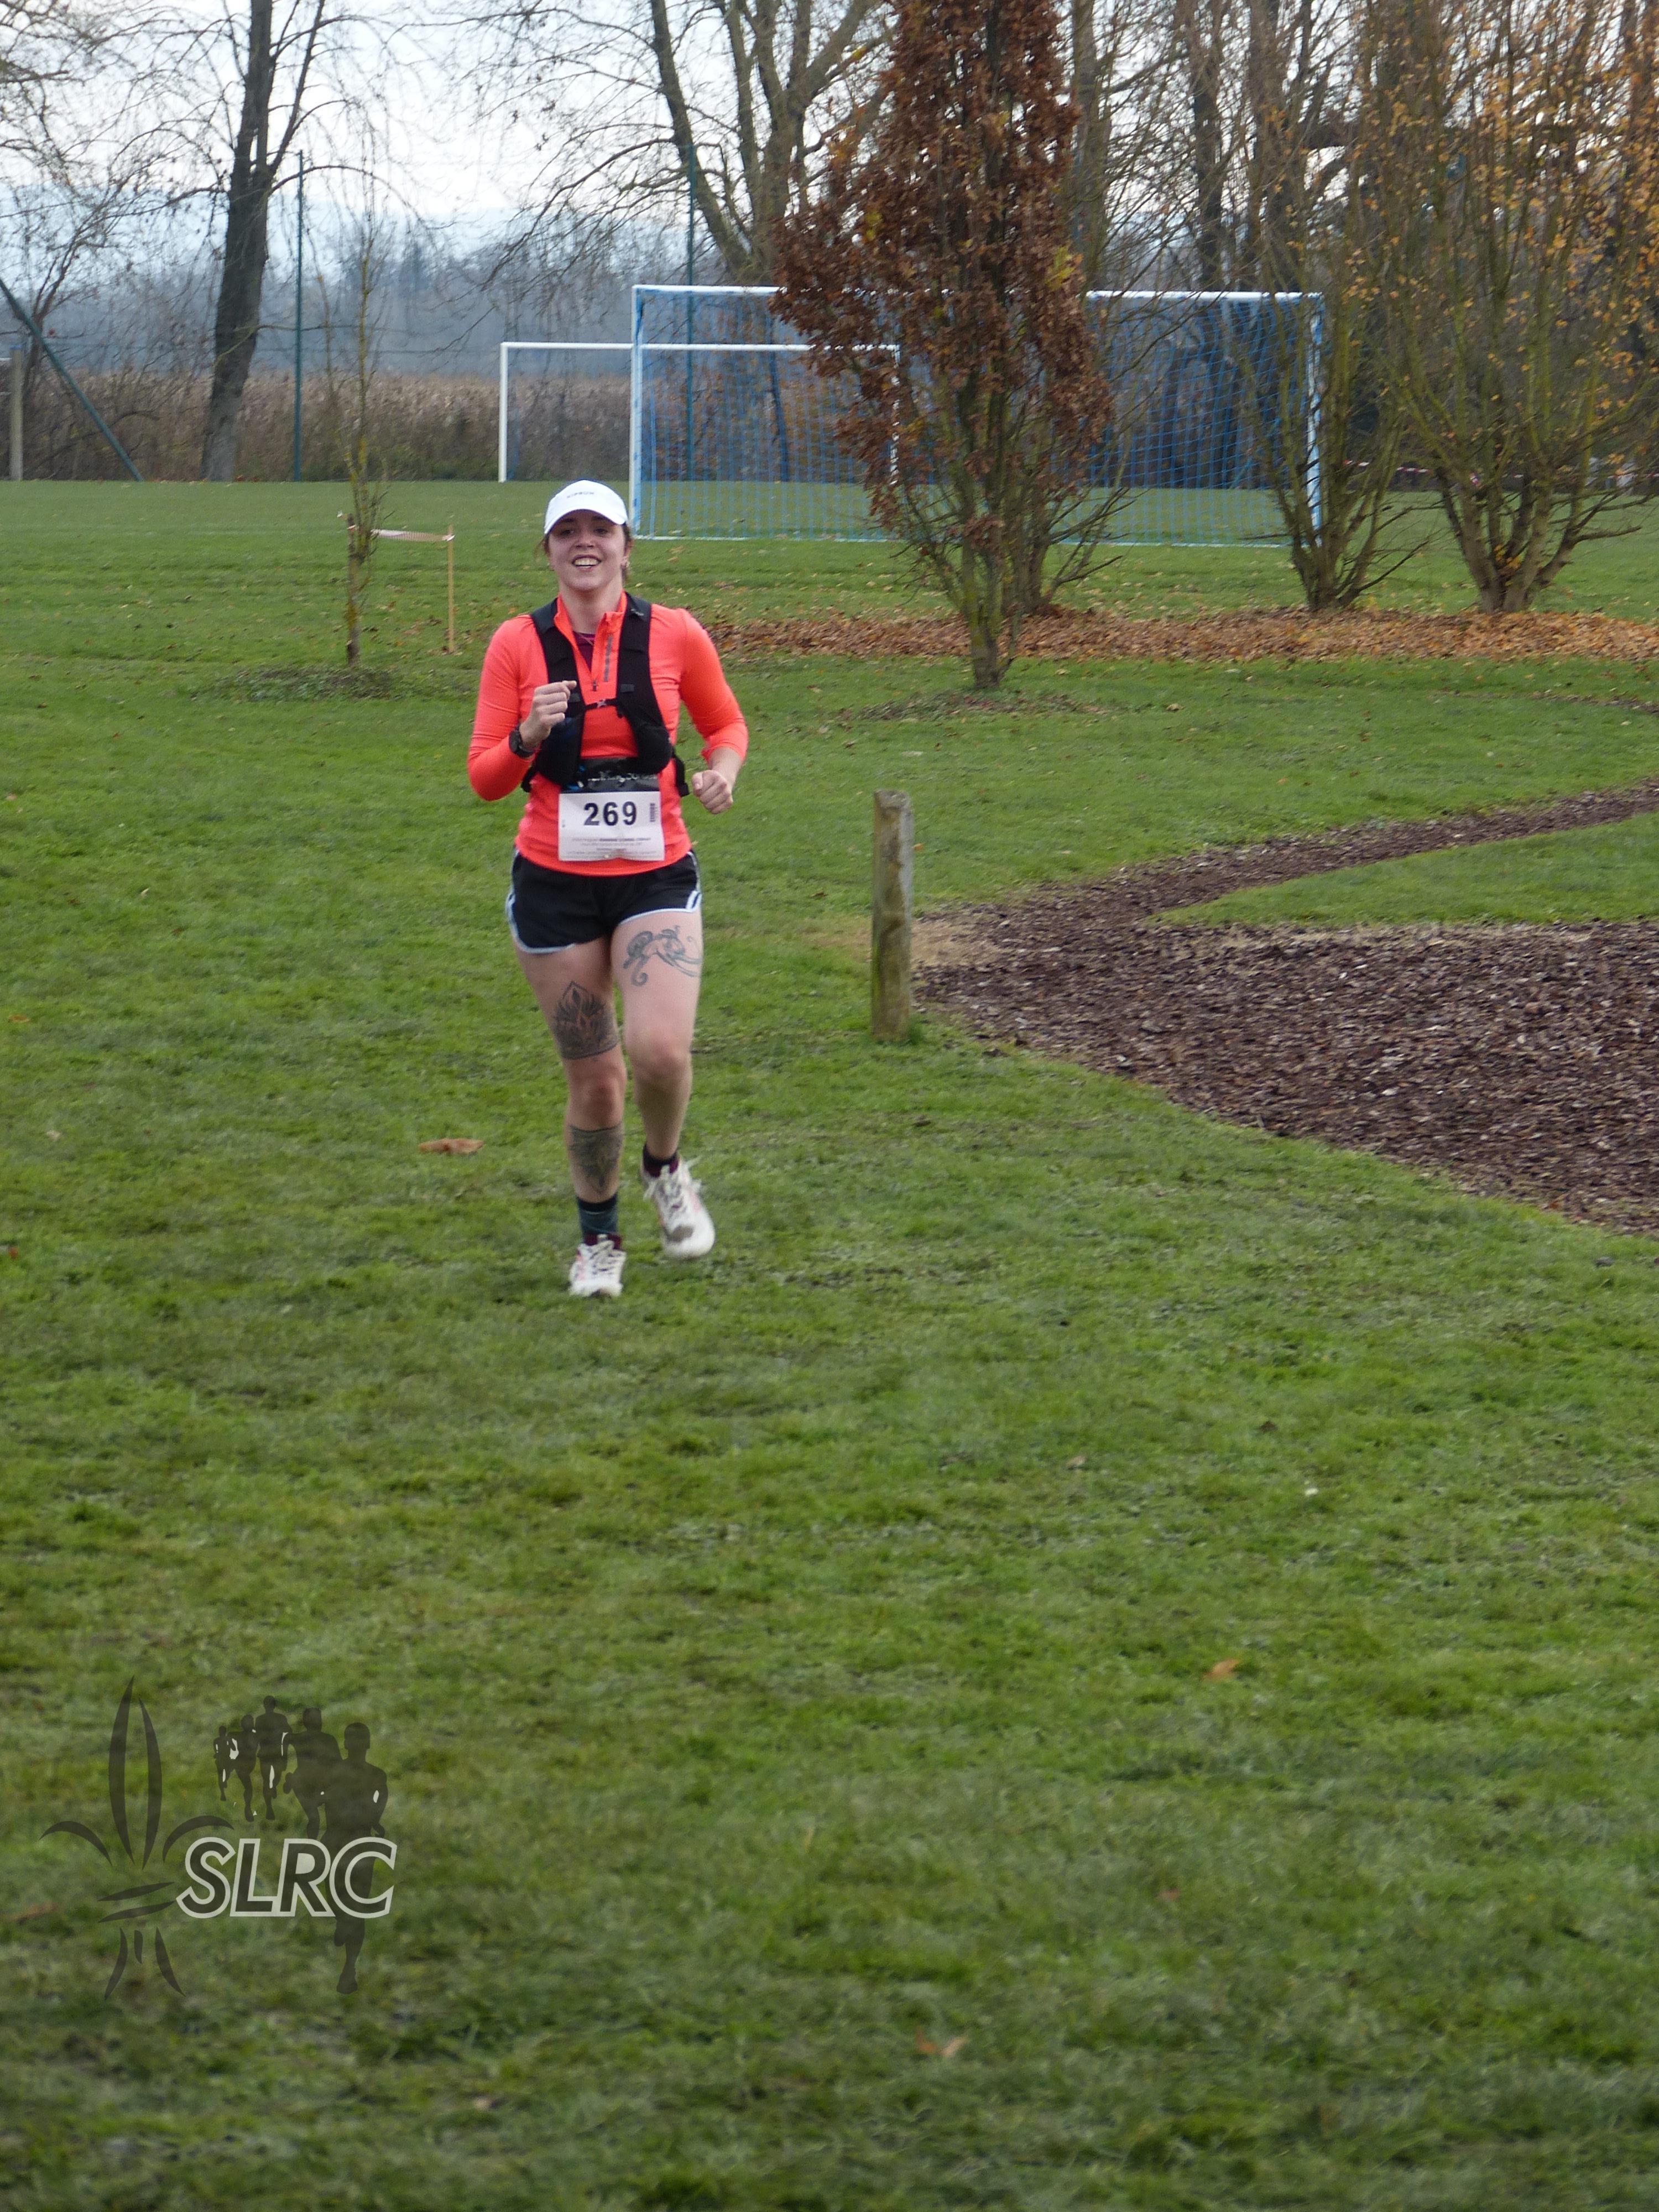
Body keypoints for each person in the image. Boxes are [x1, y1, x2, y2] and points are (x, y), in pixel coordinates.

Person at [468, 479, 748, 1299]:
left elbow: (726, 725)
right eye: (568, 532)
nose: (584, 543)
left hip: (654, 872)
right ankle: (599, 1243)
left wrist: (722, 773)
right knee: (595, 1080)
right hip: (554, 884)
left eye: (601, 529)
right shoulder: (516, 644)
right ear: (548, 549)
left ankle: (665, 1168)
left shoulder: (675, 633)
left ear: (627, 546)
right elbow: (486, 778)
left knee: (659, 1052)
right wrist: (528, 733)